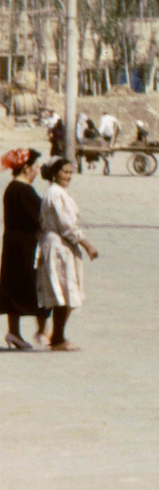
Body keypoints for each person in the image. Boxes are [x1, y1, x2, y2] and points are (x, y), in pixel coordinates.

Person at [36, 157, 98, 351]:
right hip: (59, 245)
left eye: (71, 172)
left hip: (58, 244)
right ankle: (57, 338)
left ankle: (56, 335)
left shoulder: (57, 192)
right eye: (65, 172)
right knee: (63, 289)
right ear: (55, 173)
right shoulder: (56, 194)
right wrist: (87, 245)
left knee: (63, 289)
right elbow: (67, 226)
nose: (68, 176)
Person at [1, 149, 49, 350]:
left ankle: (14, 332)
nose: (37, 171)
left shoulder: (12, 188)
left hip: (12, 244)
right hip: (26, 246)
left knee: (13, 287)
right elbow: (39, 217)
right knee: (37, 285)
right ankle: (43, 332)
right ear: (27, 168)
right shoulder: (25, 190)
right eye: (36, 167)